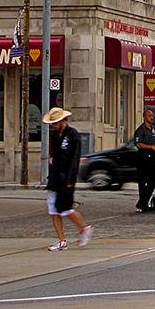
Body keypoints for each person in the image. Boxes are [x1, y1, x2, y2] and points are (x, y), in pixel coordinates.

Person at [42, 107, 92, 251]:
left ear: (62, 120)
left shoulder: (72, 135)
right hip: (56, 175)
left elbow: (74, 159)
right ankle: (61, 240)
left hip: (66, 176)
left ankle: (84, 227)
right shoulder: (56, 135)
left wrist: (71, 178)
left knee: (65, 208)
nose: (52, 126)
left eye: (54, 122)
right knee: (53, 208)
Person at [133, 109, 155, 212]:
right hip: (143, 157)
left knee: (154, 178)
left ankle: (142, 202)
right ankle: (143, 204)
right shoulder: (140, 130)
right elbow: (138, 144)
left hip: (153, 157)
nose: (151, 117)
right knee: (142, 181)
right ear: (144, 117)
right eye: (149, 116)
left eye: (152, 116)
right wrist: (152, 147)